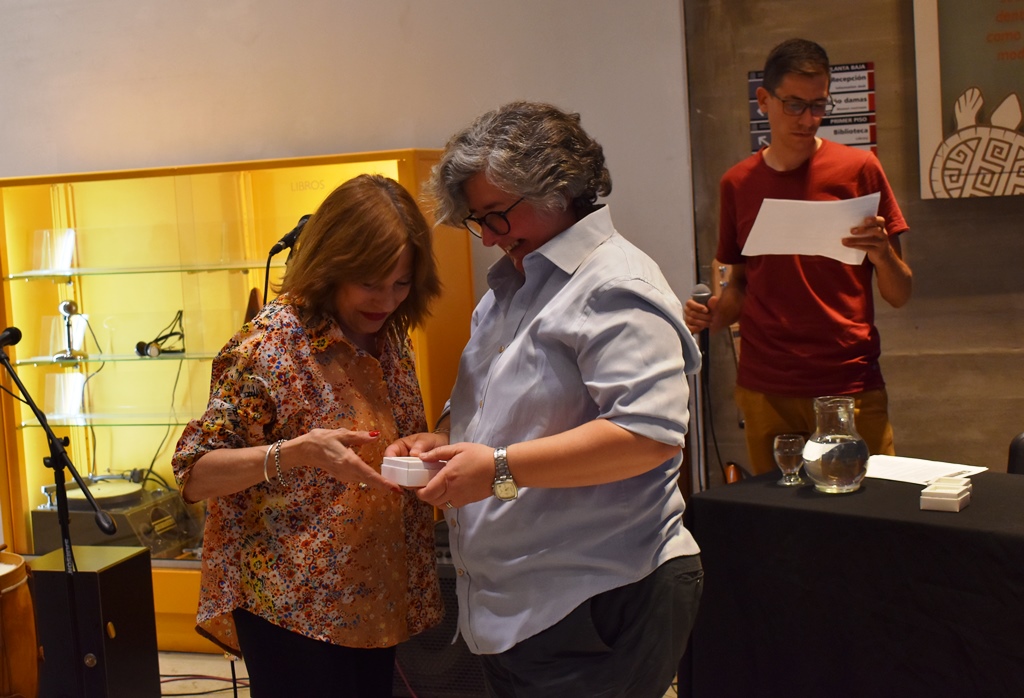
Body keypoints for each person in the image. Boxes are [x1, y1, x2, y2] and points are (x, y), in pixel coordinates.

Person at [386, 101, 704, 698]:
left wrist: (499, 469)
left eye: (496, 215)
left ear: (558, 189)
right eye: (478, 221)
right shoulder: (512, 287)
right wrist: (445, 439)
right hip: (524, 601)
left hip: (597, 594)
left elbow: (648, 436)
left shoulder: (612, 283)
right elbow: (492, 408)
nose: (489, 237)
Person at [171, 174, 444, 697]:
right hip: (292, 606)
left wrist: (417, 446)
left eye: (401, 283)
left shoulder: (389, 336)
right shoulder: (269, 347)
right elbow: (194, 472)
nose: (386, 299)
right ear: (331, 264)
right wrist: (295, 452)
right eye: (370, 282)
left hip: (374, 591)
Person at [684, 38, 914, 475]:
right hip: (767, 384)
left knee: (868, 506)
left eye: (818, 105)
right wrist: (712, 314)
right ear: (764, 100)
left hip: (849, 380)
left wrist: (883, 254)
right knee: (780, 511)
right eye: (794, 105)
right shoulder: (738, 183)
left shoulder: (860, 170)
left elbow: (900, 293)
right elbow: (739, 285)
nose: (809, 119)